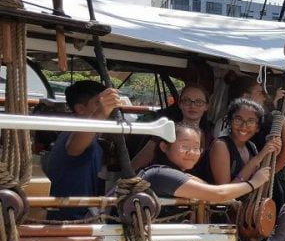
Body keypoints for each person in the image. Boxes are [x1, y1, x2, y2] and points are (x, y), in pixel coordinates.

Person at [44, 81, 124, 220]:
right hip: (71, 219)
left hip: (77, 213)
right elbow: (74, 148)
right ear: (80, 109)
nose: (106, 107)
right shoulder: (74, 135)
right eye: (98, 103)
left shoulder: (74, 132)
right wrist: (101, 113)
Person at [140, 123, 272, 203]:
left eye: (196, 148)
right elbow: (219, 194)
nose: (191, 152)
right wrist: (254, 183)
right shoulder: (161, 174)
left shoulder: (179, 175)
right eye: (185, 146)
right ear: (164, 147)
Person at [131, 84, 213, 171]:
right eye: (187, 101)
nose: (192, 106)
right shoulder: (166, 130)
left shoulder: (210, 137)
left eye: (199, 102)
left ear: (206, 106)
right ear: (180, 104)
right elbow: (137, 164)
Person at [203, 98, 282, 185]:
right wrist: (258, 158)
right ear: (229, 122)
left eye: (251, 121)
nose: (244, 126)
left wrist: (271, 153)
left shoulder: (251, 147)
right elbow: (224, 190)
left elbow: (260, 180)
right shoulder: (220, 146)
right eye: (238, 120)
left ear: (257, 127)